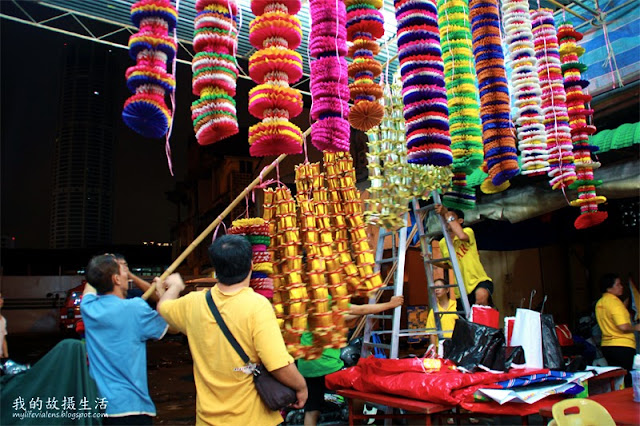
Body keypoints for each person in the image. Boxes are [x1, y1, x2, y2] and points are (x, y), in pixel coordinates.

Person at [156, 235, 307, 426]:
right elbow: (277, 364)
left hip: (207, 420)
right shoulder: (257, 306)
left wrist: (175, 287)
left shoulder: (193, 303)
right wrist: (301, 387)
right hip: (251, 420)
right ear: (251, 265)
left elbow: (163, 307)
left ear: (216, 270)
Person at [81, 254, 169, 425]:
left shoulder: (88, 307)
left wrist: (101, 265)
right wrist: (166, 291)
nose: (126, 275)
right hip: (132, 408)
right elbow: (168, 320)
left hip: (100, 408)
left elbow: (90, 287)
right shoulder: (134, 308)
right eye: (123, 271)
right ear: (116, 279)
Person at [299, 295, 404, 426]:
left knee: (312, 410)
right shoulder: (325, 298)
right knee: (358, 389)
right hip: (325, 364)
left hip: (306, 366)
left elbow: (348, 318)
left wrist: (360, 313)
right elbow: (359, 310)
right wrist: (389, 304)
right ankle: (357, 422)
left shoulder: (308, 301)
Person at [434, 205, 493, 307]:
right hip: (461, 290)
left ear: (460, 221)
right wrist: (432, 260)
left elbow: (461, 236)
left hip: (477, 281)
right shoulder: (443, 243)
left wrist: (446, 213)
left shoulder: (468, 231)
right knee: (465, 321)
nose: (447, 220)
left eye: (451, 217)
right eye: (445, 218)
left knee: (481, 296)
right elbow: (449, 264)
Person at [595, 273, 640, 387]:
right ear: (609, 288)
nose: (621, 287)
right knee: (628, 379)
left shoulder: (600, 303)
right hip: (623, 347)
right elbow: (623, 327)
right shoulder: (615, 303)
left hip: (607, 346)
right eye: (618, 284)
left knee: (618, 379)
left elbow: (611, 318)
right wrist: (636, 327)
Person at [426, 279, 458, 351]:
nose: (436, 290)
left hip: (457, 346)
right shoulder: (434, 310)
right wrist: (433, 351)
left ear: (447, 290)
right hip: (441, 348)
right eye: (434, 288)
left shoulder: (456, 306)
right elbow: (432, 333)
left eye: (439, 287)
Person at [0, 292, 8, 362]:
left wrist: (6, 356)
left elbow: (3, 339)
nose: (1, 301)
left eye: (1, 298)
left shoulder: (3, 320)